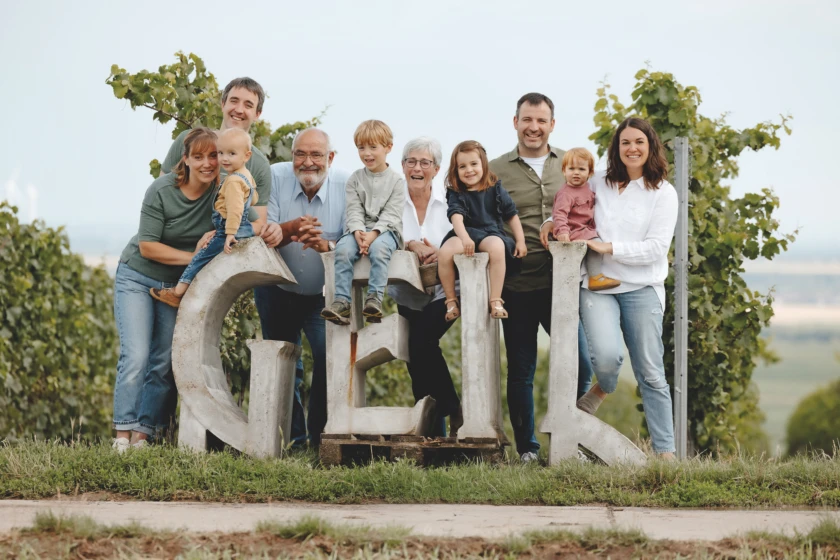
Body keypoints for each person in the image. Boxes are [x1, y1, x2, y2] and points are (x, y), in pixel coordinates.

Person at [489, 93, 593, 463]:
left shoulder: (572, 163)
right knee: (521, 371)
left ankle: (569, 440)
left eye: (541, 120)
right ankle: (528, 449)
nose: (534, 127)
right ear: (515, 121)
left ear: (552, 124)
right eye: (527, 119)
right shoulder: (495, 169)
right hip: (515, 286)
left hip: (562, 286)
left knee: (583, 365)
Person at [572, 117, 678, 459]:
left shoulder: (663, 193)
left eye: (639, 142)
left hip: (641, 287)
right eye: (625, 143)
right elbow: (568, 205)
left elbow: (656, 249)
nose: (632, 148)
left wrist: (610, 247)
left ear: (651, 147)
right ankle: (604, 387)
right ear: (616, 148)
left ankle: (665, 455)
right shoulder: (598, 182)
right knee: (607, 357)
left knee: (650, 372)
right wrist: (549, 225)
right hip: (598, 284)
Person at [112, 128, 221, 452]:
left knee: (163, 361)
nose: (206, 163)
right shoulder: (160, 190)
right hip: (137, 277)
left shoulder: (220, 195)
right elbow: (147, 246)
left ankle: (143, 437)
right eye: (198, 156)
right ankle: (121, 436)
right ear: (184, 159)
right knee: (137, 355)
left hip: (176, 285)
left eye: (212, 156)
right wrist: (194, 256)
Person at [255, 127, 350, 448]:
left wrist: (327, 244)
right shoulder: (275, 176)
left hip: (322, 296)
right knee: (284, 364)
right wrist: (292, 229)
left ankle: (319, 439)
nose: (307, 162)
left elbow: (353, 238)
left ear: (330, 158)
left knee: (328, 360)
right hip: (276, 289)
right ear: (291, 156)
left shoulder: (347, 187)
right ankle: (292, 441)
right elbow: (269, 234)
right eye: (300, 154)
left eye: (316, 155)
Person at [390, 137, 463, 437]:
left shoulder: (450, 204)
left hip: (446, 293)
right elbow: (383, 230)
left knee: (421, 343)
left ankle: (453, 409)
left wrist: (444, 249)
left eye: (425, 163)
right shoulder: (392, 200)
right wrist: (410, 243)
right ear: (403, 166)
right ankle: (435, 436)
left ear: (436, 169)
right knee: (416, 359)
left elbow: (464, 236)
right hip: (407, 293)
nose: (417, 168)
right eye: (411, 162)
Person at [150, 128, 259, 307]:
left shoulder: (232, 181)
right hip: (241, 226)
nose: (225, 159)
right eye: (221, 153)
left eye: (231, 154)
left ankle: (177, 293)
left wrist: (230, 233)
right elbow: (253, 198)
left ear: (246, 156)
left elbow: (236, 210)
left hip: (228, 229)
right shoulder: (246, 176)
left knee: (200, 257)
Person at [160, 77, 272, 236]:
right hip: (172, 244)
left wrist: (223, 235)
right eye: (234, 101)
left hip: (217, 254)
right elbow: (159, 199)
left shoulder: (260, 165)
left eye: (248, 105)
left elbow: (258, 224)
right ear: (223, 104)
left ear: (257, 114)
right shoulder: (187, 140)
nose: (239, 110)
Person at [321, 120, 404, 325]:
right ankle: (342, 301)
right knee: (343, 250)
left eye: (373, 147)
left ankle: (374, 297)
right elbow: (353, 209)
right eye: (361, 148)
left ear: (388, 148)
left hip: (386, 231)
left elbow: (391, 215)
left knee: (380, 250)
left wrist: (374, 234)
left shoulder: (397, 181)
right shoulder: (355, 179)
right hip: (357, 230)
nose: (367, 153)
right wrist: (358, 232)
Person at [438, 141, 526, 322]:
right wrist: (464, 238)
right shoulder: (456, 192)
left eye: (473, 164)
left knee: (497, 246)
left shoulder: (495, 188)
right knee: (445, 251)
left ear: (483, 164)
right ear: (456, 170)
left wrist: (521, 241)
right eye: (462, 166)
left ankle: (495, 299)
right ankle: (451, 301)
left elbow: (512, 215)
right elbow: (456, 217)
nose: (469, 170)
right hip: (464, 232)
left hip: (490, 232)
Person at [551, 147, 620, 291]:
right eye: (571, 169)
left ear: (590, 172)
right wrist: (562, 231)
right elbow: (559, 213)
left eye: (581, 169)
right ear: (564, 171)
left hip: (584, 229)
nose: (576, 173)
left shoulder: (587, 188)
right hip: (573, 231)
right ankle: (595, 277)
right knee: (597, 244)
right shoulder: (566, 193)